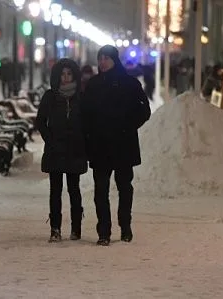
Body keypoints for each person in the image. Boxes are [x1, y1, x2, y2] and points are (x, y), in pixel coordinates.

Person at [82, 45, 151, 246]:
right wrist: (89, 135)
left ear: (114, 60)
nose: (102, 62)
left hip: (123, 143)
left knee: (124, 188)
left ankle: (125, 226)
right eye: (100, 58)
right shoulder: (93, 85)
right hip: (100, 144)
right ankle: (103, 231)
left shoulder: (129, 83)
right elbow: (85, 113)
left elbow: (143, 110)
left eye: (107, 58)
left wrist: (128, 126)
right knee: (100, 190)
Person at [36, 58, 88, 243]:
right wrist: (50, 140)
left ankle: (76, 228)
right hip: (55, 150)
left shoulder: (80, 97)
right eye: (63, 74)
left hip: (75, 150)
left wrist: (83, 142)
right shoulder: (50, 96)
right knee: (55, 191)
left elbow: (87, 123)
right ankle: (55, 229)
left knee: (74, 190)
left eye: (69, 74)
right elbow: (40, 121)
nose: (66, 78)